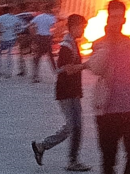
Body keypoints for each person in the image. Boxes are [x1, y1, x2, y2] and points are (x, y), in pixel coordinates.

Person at [76, 0, 130, 174]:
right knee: (108, 160)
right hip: (107, 111)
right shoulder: (99, 44)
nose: (116, 21)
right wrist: (108, 44)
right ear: (108, 19)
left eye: (119, 17)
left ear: (124, 20)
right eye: (112, 17)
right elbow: (96, 69)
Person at [31, 14, 91, 172]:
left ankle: (44, 147)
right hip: (66, 92)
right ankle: (69, 159)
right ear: (73, 27)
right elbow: (67, 70)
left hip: (73, 91)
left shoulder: (72, 43)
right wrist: (87, 65)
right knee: (74, 127)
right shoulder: (66, 46)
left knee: (74, 126)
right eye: (81, 26)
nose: (83, 29)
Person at [0, 6, 24, 78]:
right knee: (9, 55)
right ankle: (9, 72)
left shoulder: (1, 17)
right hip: (12, 37)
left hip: (3, 37)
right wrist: (17, 31)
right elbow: (21, 25)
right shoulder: (14, 17)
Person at [29, 5, 57, 83]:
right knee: (50, 57)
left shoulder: (38, 17)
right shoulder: (51, 18)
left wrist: (34, 35)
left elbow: (31, 25)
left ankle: (35, 76)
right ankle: (56, 74)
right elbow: (53, 27)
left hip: (39, 38)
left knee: (37, 56)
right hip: (47, 38)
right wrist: (52, 36)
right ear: (49, 10)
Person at [16, 5, 34, 77]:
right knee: (31, 53)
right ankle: (33, 69)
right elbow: (33, 25)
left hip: (22, 35)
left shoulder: (17, 16)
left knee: (21, 54)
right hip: (29, 35)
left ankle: (23, 70)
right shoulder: (30, 15)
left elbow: (16, 27)